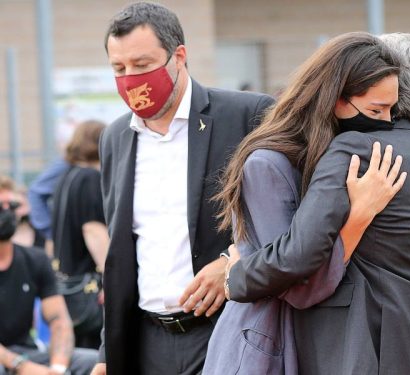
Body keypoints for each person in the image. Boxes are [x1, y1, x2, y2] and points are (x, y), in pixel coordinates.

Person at [204, 32, 410, 375]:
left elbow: (300, 253)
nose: (386, 121)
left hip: (351, 342)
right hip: (280, 338)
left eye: (389, 107)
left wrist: (235, 276)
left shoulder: (353, 149)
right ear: (337, 97)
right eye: (377, 108)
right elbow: (296, 271)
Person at [93, 3, 275, 374]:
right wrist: (105, 354)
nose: (131, 78)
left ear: (179, 56)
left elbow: (296, 211)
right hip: (146, 341)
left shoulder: (247, 115)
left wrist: (233, 261)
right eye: (119, 68)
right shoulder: (114, 138)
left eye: (142, 65)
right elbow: (122, 252)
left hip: (226, 330)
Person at [0, 176, 98, 375]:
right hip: (10, 362)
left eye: (12, 205)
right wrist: (23, 366)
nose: (7, 212)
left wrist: (57, 368)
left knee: (94, 362)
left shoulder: (35, 260)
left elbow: (59, 320)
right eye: (0, 206)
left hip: (27, 353)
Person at [50, 120, 107, 349]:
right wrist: (110, 274)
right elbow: (92, 229)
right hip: (88, 283)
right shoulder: (89, 178)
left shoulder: (66, 177)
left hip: (68, 279)